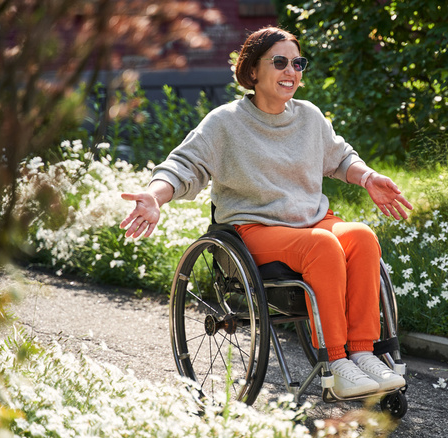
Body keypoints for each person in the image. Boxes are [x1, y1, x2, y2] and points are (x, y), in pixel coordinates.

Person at [120, 26, 413, 398]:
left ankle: (363, 352)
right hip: (254, 228)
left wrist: (368, 177)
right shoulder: (225, 122)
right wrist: (155, 196)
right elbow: (185, 166)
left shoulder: (309, 117)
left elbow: (340, 158)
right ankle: (336, 362)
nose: (291, 70)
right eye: (279, 62)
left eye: (297, 62)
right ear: (253, 70)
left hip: (312, 221)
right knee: (322, 245)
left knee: (362, 237)